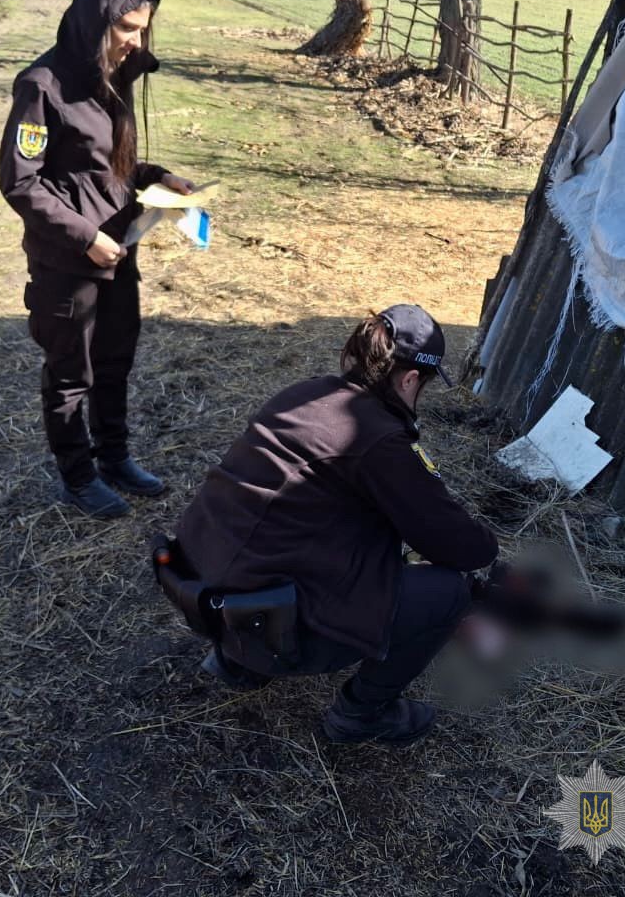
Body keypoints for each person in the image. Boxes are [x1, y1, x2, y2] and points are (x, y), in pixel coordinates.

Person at [173, 305, 500, 746]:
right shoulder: (378, 440)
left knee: (292, 532)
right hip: (266, 620)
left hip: (201, 589)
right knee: (448, 594)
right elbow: (459, 545)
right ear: (409, 380)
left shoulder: (305, 393)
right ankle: (361, 714)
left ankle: (237, 663)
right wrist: (487, 545)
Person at [0, 0, 194, 518]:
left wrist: (156, 177)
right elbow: (20, 182)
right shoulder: (42, 86)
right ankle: (78, 477)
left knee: (114, 360)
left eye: (143, 30)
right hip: (68, 262)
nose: (136, 41)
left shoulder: (114, 77)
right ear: (96, 20)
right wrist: (85, 237)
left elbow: (106, 168)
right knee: (70, 374)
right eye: (127, 28)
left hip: (119, 249)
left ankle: (114, 458)